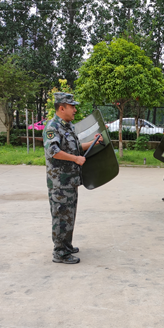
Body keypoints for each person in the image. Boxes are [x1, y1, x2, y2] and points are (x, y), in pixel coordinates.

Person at [43, 92, 103, 264]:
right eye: (72, 106)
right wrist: (76, 159)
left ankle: (66, 246)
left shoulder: (67, 127)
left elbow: (75, 148)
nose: (75, 110)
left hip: (70, 182)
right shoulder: (52, 127)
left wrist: (93, 142)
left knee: (68, 216)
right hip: (59, 183)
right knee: (60, 218)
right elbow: (53, 151)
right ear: (61, 108)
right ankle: (59, 253)